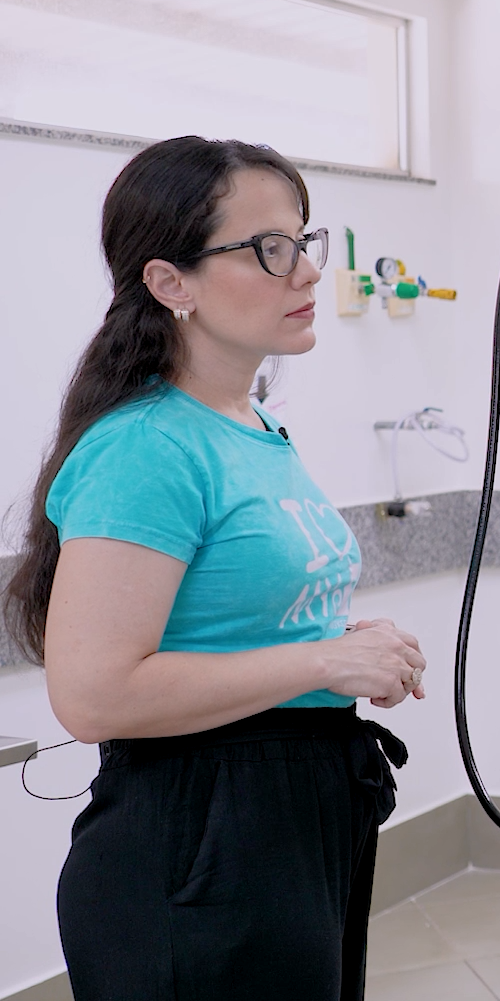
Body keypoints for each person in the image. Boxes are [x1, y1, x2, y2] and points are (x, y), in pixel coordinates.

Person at [1, 137, 429, 1001]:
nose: (307, 271)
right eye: (269, 249)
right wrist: (323, 661)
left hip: (292, 821)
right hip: (199, 847)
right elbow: (94, 696)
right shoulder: (145, 448)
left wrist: (348, 646)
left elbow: (234, 628)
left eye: (303, 241)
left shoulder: (251, 424)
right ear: (171, 282)